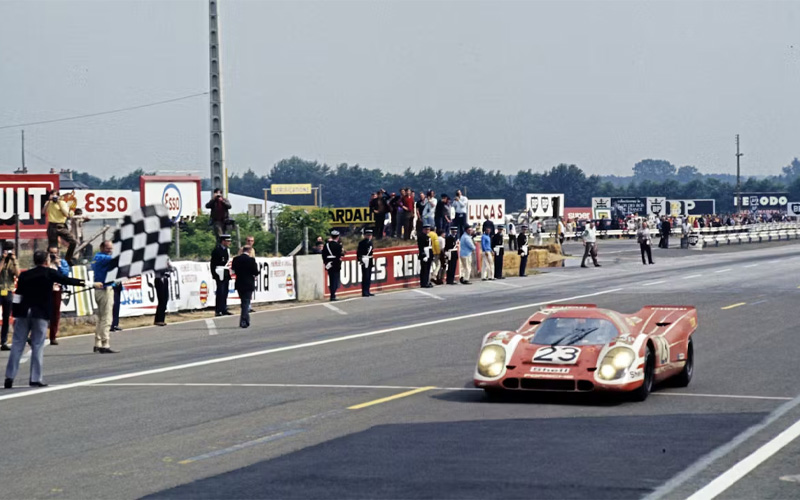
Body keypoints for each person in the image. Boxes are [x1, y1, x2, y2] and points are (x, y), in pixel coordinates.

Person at [5, 250, 92, 389]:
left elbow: (18, 295)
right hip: (40, 313)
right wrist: (87, 283)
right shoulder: (49, 273)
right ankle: (35, 378)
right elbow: (66, 280)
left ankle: (9, 377)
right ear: (46, 261)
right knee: (38, 345)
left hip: (23, 312)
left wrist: (15, 312)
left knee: (17, 344)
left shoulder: (25, 274)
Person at [91, 240, 119, 353]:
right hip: (104, 289)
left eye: (111, 248)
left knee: (100, 318)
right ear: (102, 247)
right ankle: (105, 344)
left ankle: (97, 342)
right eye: (108, 248)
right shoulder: (104, 258)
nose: (110, 251)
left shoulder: (96, 257)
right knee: (107, 318)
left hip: (99, 289)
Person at [43, 189, 77, 265]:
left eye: (56, 195)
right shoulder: (49, 203)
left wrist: (58, 203)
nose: (54, 197)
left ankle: (68, 258)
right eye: (53, 195)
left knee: (73, 241)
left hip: (61, 225)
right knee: (52, 246)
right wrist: (48, 202)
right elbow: (43, 212)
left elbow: (66, 214)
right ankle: (50, 261)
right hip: (52, 225)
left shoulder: (62, 203)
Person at [47, 246, 70, 345]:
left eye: (55, 253)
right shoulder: (44, 262)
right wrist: (47, 263)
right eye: (51, 253)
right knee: (42, 312)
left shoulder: (62, 262)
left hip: (57, 289)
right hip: (45, 289)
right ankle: (35, 335)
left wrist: (58, 265)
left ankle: (53, 336)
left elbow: (65, 275)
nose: (53, 255)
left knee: (55, 313)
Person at [232, 246, 258, 328]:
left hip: (239, 283)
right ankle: (244, 320)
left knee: (243, 302)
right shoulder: (251, 260)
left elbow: (233, 270)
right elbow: (255, 272)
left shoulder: (236, 259)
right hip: (248, 283)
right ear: (250, 251)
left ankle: (246, 320)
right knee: (246, 302)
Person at [0, 244, 19, 351]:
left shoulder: (13, 261)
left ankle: (4, 341)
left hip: (8, 291)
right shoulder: (1, 259)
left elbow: (18, 274)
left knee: (6, 317)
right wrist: (3, 259)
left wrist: (14, 260)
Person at [211, 234, 233, 316]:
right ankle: (218, 310)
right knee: (220, 291)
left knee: (225, 291)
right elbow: (213, 264)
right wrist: (214, 274)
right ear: (223, 241)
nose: (229, 243)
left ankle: (224, 308)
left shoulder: (227, 250)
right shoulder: (217, 250)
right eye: (227, 241)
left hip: (225, 272)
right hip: (219, 272)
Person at [322, 230, 345, 301]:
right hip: (336, 264)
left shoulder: (326, 245)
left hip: (328, 263)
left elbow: (324, 254)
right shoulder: (338, 245)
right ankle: (333, 295)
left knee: (331, 279)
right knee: (335, 279)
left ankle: (332, 294)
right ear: (337, 237)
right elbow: (339, 255)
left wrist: (326, 262)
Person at [357, 229, 375, 297]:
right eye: (367, 235)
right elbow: (359, 252)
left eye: (370, 235)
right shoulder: (362, 243)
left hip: (369, 259)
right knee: (365, 276)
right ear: (365, 235)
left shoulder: (370, 242)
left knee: (369, 276)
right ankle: (364, 291)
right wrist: (360, 260)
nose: (369, 236)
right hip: (364, 259)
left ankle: (368, 290)